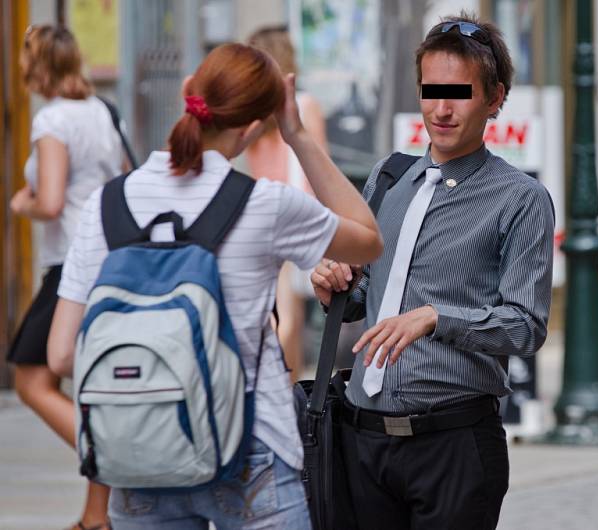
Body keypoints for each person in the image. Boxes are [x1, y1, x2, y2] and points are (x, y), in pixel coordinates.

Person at [47, 42, 383, 529]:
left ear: (188, 93)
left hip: (140, 456)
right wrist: (298, 135)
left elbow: (60, 356)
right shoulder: (264, 205)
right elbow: (368, 240)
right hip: (251, 452)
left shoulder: (107, 205)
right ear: (253, 125)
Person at [310, 13, 554, 530]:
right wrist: (337, 287)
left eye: (459, 93)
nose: (440, 110)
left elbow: (525, 327)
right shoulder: (389, 176)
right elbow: (364, 296)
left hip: (454, 445)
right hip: (362, 440)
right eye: (431, 90)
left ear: (494, 99)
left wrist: (436, 318)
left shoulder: (520, 199)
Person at [7, 24, 123, 530]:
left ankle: (117, 457)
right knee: (96, 383)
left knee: (31, 379)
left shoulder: (51, 119)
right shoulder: (101, 111)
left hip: (73, 264)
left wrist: (22, 203)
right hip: (109, 255)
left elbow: (50, 201)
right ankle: (96, 515)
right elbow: (121, 179)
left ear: (36, 67)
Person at [244, 26, 328, 382]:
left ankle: (280, 395)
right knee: (288, 323)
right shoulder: (303, 106)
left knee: (276, 319)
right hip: (296, 218)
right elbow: (320, 170)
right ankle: (283, 398)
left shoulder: (250, 115)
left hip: (258, 220)